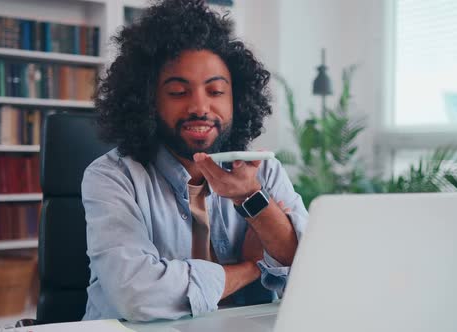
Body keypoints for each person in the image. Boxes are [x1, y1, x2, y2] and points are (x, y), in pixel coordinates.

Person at [81, 0, 307, 322]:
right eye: (177, 92)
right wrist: (250, 268)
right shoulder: (112, 177)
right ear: (148, 101)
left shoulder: (263, 171)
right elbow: (137, 296)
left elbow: (308, 269)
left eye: (215, 91)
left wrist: (251, 198)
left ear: (236, 99)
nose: (200, 107)